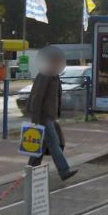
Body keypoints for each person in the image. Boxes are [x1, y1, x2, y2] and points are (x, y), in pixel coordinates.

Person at [24, 46, 78, 182]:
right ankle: (64, 171)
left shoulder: (54, 75)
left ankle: (30, 168)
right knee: (54, 143)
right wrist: (35, 118)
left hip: (50, 116)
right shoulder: (45, 75)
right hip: (44, 116)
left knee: (42, 146)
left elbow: (56, 97)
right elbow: (37, 96)